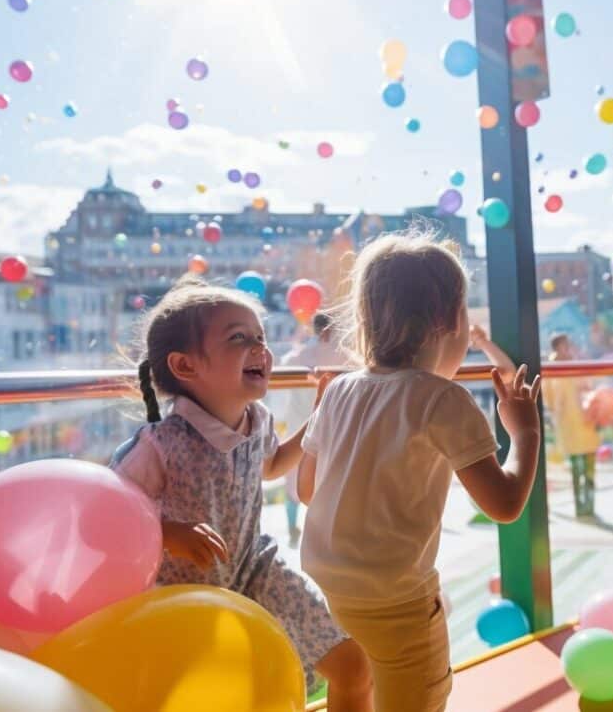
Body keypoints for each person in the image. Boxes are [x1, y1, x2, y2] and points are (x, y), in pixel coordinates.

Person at [297, 232, 542, 712]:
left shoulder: (340, 390)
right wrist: (526, 433)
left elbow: (307, 490)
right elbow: (506, 505)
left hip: (334, 590)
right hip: (399, 602)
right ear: (449, 319)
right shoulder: (442, 399)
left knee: (354, 689)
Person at [109, 276, 372, 711]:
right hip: (181, 599)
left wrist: (321, 416)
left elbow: (269, 465)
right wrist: (167, 532)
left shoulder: (259, 418)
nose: (260, 348)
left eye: (260, 337)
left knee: (352, 667)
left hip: (254, 566)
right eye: (238, 338)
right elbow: (112, 521)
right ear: (186, 366)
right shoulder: (158, 444)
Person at [277, 313, 353, 547]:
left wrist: (298, 338)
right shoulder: (346, 356)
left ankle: (292, 528)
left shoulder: (299, 356)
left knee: (293, 481)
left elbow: (286, 363)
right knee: (329, 479)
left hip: (299, 425)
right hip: (336, 429)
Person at [541, 332, 600, 518]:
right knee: (576, 466)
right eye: (566, 345)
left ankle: (589, 504)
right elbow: (549, 400)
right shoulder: (550, 370)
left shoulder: (576, 365)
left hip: (586, 422)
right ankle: (580, 505)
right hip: (568, 425)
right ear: (557, 347)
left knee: (589, 465)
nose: (570, 348)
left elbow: (590, 389)